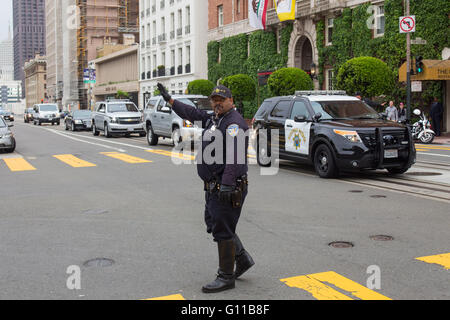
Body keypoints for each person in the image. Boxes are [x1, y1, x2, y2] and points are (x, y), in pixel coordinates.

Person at [156, 82, 254, 293]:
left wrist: (227, 185)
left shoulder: (234, 124)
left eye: (221, 100)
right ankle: (242, 258)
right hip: (213, 186)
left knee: (223, 229)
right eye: (214, 100)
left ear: (231, 101)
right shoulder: (215, 119)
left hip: (227, 186)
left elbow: (235, 158)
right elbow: (191, 112)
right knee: (213, 222)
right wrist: (170, 101)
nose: (217, 103)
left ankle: (226, 276)